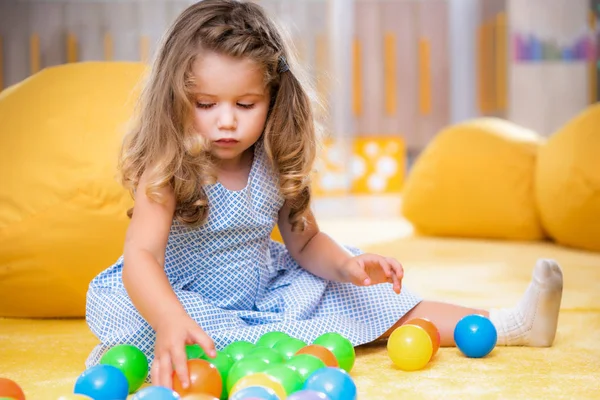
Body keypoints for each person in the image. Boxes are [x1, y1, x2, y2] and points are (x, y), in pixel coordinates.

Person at [85, 0, 564, 391]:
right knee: (154, 328)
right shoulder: (169, 167)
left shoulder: (273, 160)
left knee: (373, 302)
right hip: (181, 299)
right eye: (206, 105)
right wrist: (169, 319)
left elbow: (306, 243)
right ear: (175, 98)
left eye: (245, 105)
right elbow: (141, 257)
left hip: (264, 293)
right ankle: (174, 343)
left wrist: (349, 267)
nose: (226, 121)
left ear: (272, 97)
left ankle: (507, 324)